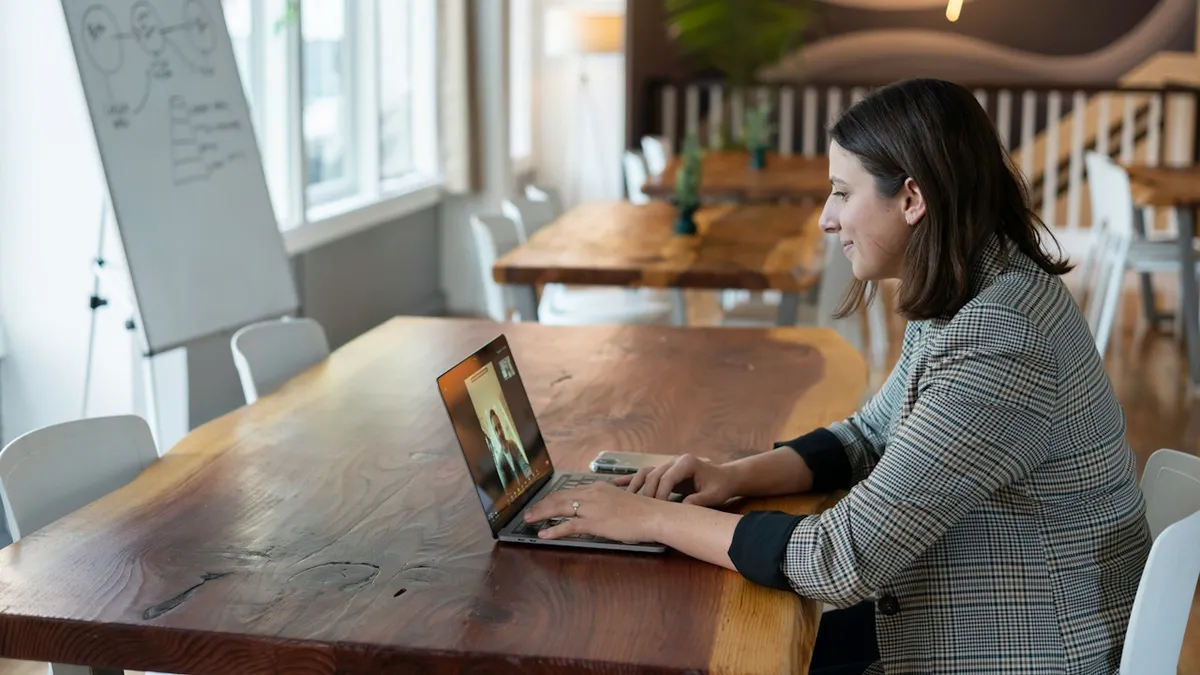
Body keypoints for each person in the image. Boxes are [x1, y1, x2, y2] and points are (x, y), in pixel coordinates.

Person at [523, 78, 1152, 675]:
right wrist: (731, 476)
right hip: (965, 616)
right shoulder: (976, 286)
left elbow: (840, 559)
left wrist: (649, 521)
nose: (827, 218)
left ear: (911, 198)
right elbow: (868, 435)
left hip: (1022, 649)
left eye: (842, 192)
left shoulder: (1004, 337)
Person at [489, 408, 530, 489]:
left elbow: (524, 466)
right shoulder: (500, 462)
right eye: (496, 429)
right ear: (494, 433)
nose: (500, 432)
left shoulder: (512, 444)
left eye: (500, 426)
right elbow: (506, 489)